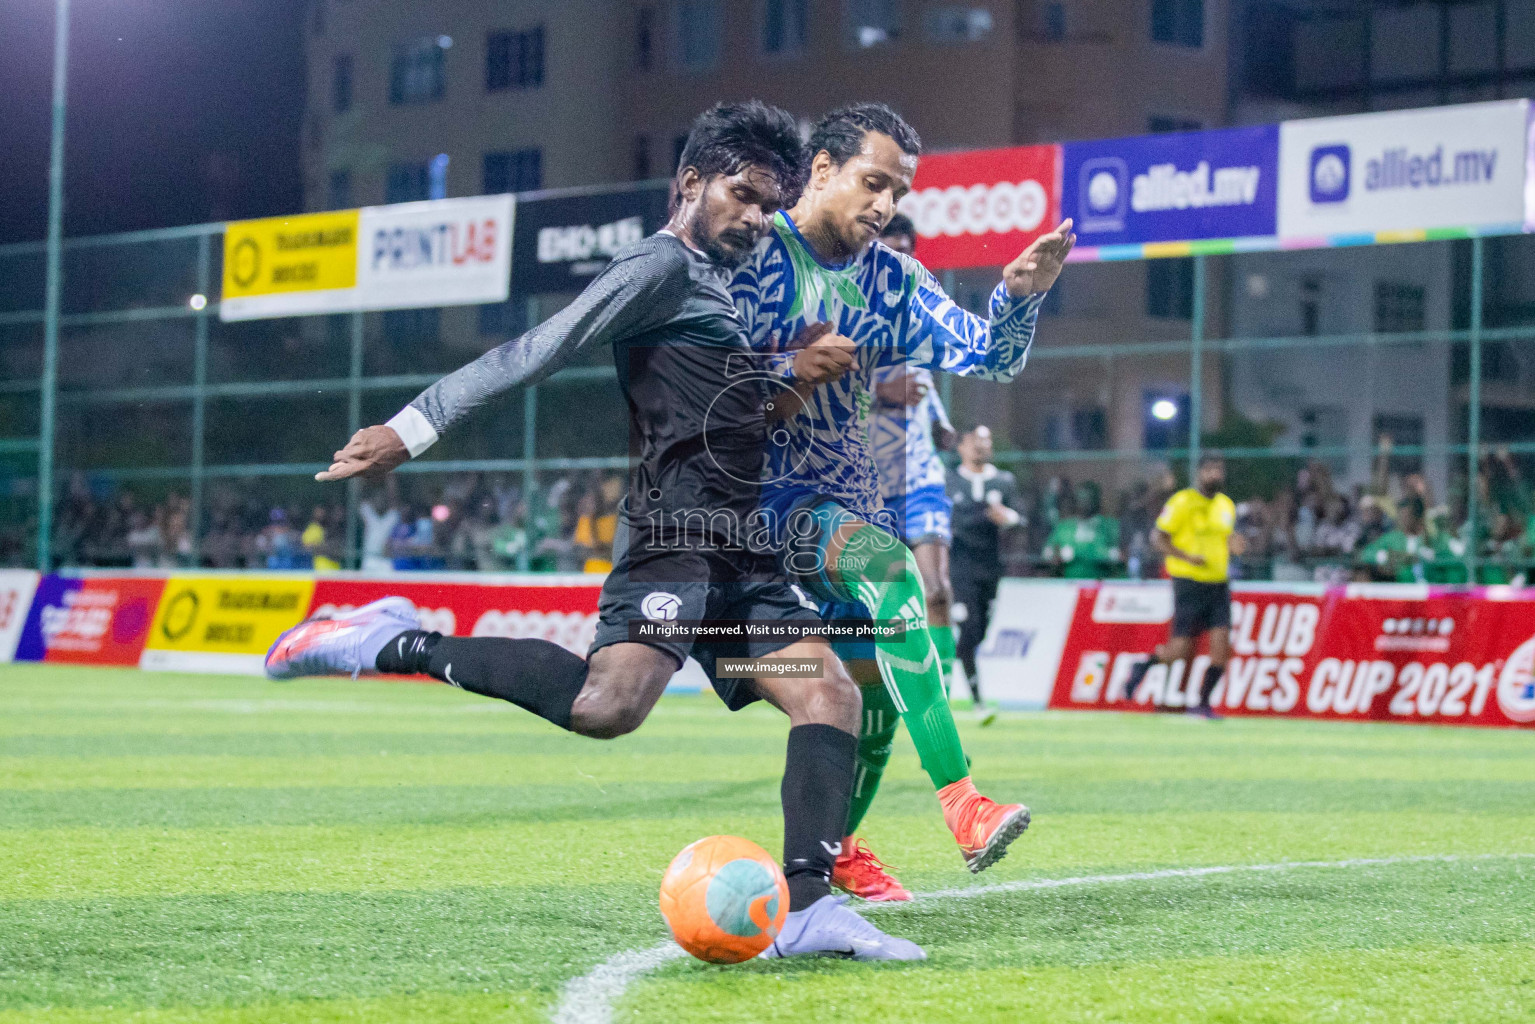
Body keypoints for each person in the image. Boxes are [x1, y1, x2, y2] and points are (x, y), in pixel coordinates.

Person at [263, 101, 921, 961]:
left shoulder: (726, 283)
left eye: (770, 205)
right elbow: (536, 348)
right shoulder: (657, 268)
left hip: (740, 556)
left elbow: (726, 414)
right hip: (675, 541)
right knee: (606, 706)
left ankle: (804, 907)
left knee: (827, 692)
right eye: (744, 196)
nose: (758, 219)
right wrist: (410, 429)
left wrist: (790, 377)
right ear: (691, 183)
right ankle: (385, 640)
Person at [730, 102, 1072, 898]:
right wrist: (781, 375)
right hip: (754, 501)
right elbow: (702, 378)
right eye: (872, 183)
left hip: (845, 498)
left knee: (872, 694)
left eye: (898, 192)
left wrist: (1020, 295)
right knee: (891, 570)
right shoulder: (748, 256)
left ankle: (836, 846)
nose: (885, 206)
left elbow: (988, 357)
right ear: (821, 169)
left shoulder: (893, 278)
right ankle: (962, 803)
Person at [868, 213, 960, 687]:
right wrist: (883, 394)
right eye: (892, 247)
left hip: (921, 481)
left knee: (937, 590)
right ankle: (883, 681)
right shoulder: (849, 309)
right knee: (881, 602)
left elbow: (924, 390)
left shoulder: (919, 315)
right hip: (870, 488)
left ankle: (940, 692)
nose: (901, 257)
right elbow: (821, 395)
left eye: (908, 250)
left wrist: (946, 432)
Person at [1123, 455, 1247, 719]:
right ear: (1200, 473)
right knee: (1178, 650)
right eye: (1210, 469)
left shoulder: (1226, 506)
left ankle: (1203, 704)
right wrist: (1186, 557)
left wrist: (1235, 545)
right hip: (1188, 583)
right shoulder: (1183, 502)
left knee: (1221, 650)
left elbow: (1226, 538)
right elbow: (1158, 537)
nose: (1215, 474)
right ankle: (1142, 668)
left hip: (1218, 584)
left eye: (1219, 469)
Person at [948, 426, 1026, 716]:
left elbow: (1020, 519)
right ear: (961, 446)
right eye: (976, 441)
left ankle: (947, 659)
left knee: (979, 632)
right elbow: (948, 520)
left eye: (987, 440)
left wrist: (1009, 517)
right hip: (959, 568)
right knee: (968, 628)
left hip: (991, 568)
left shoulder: (1004, 481)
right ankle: (978, 700)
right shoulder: (950, 480)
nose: (982, 446)